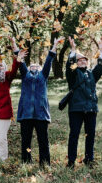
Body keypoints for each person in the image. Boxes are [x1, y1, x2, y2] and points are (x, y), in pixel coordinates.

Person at [16, 37, 64, 166]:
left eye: (37, 65)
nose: (34, 67)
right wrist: (15, 48)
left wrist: (54, 45)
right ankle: (26, 161)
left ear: (40, 68)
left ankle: (45, 163)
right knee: (26, 141)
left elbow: (49, 60)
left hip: (41, 114)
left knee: (43, 140)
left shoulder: (43, 76)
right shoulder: (25, 75)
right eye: (32, 65)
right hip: (26, 114)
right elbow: (20, 62)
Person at [65, 36, 102, 168]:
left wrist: (101, 50)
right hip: (76, 109)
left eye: (84, 60)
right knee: (74, 135)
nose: (82, 61)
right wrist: (73, 49)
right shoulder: (72, 74)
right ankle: (71, 161)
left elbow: (101, 66)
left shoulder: (92, 74)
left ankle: (89, 159)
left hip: (91, 109)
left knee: (90, 135)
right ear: (76, 62)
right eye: (79, 60)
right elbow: (69, 65)